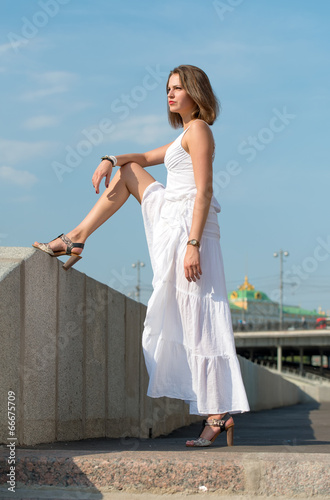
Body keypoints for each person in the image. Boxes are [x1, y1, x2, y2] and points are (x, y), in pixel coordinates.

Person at [33, 64, 250, 447]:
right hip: (178, 217)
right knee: (130, 169)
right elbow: (144, 157)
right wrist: (109, 157)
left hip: (187, 225)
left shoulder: (199, 130)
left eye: (178, 88)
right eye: (167, 88)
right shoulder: (184, 134)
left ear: (195, 93)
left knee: (198, 317)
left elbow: (204, 190)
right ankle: (76, 237)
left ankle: (218, 414)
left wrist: (193, 245)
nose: (170, 94)